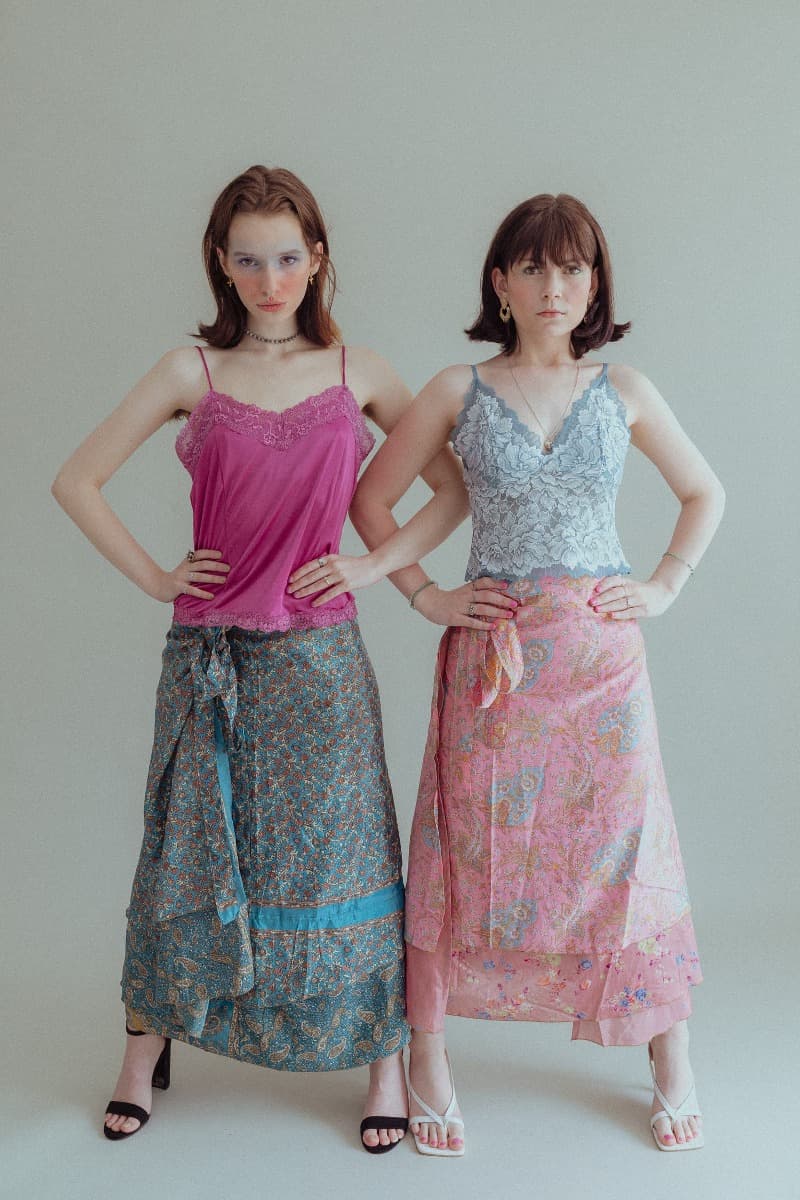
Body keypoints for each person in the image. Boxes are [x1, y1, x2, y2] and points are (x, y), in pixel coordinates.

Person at [295, 193, 725, 1156]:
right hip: (494, 654)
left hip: (600, 657)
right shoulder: (459, 388)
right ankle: (430, 1058)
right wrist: (421, 594)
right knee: (465, 843)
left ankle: (669, 1057)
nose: (553, 286)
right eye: (531, 268)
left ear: (595, 284)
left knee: (628, 845)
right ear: (499, 281)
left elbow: (705, 491)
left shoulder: (628, 390)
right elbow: (373, 500)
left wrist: (662, 584)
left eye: (572, 269)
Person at [51, 164, 468, 1154]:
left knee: (345, 851)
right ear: (221, 265)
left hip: (322, 664)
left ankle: (379, 1062)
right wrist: (159, 577)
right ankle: (142, 1051)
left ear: (315, 258)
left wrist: (373, 566)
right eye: (248, 258)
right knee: (183, 850)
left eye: (287, 255)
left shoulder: (356, 371)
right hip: (209, 657)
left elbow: (447, 491)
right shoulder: (186, 372)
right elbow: (76, 480)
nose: (269, 276)